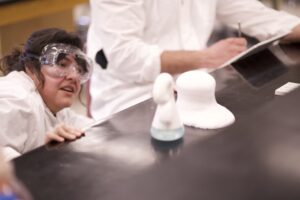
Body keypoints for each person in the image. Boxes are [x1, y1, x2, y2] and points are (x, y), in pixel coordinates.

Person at [87, 0, 300, 120]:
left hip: (195, 88)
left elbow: (252, 13)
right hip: (131, 104)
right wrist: (206, 57)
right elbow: (125, 56)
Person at [0, 28, 94, 160]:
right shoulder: (15, 100)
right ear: (31, 67)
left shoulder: (56, 108)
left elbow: (95, 130)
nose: (74, 76)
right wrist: (45, 157)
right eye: (62, 65)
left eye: (78, 70)